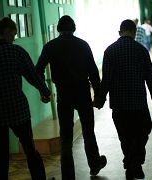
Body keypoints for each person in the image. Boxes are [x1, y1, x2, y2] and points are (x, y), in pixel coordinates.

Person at [0, 17, 51, 180]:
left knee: (0, 158)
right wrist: (45, 92)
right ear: (7, 32)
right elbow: (33, 76)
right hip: (18, 111)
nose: (14, 39)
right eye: (14, 35)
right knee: (30, 150)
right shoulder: (17, 52)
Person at [35, 15, 106, 180]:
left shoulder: (50, 46)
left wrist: (44, 91)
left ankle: (68, 176)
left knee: (65, 137)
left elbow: (37, 71)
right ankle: (94, 164)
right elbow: (94, 72)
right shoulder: (83, 45)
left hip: (64, 94)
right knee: (88, 131)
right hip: (82, 92)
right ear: (74, 28)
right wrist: (98, 95)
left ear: (59, 29)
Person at [94, 19, 152, 180]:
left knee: (125, 136)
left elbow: (106, 80)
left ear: (120, 32)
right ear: (134, 32)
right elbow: (150, 78)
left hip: (119, 105)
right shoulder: (141, 50)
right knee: (143, 131)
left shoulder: (110, 51)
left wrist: (100, 100)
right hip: (138, 103)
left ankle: (130, 162)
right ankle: (135, 163)